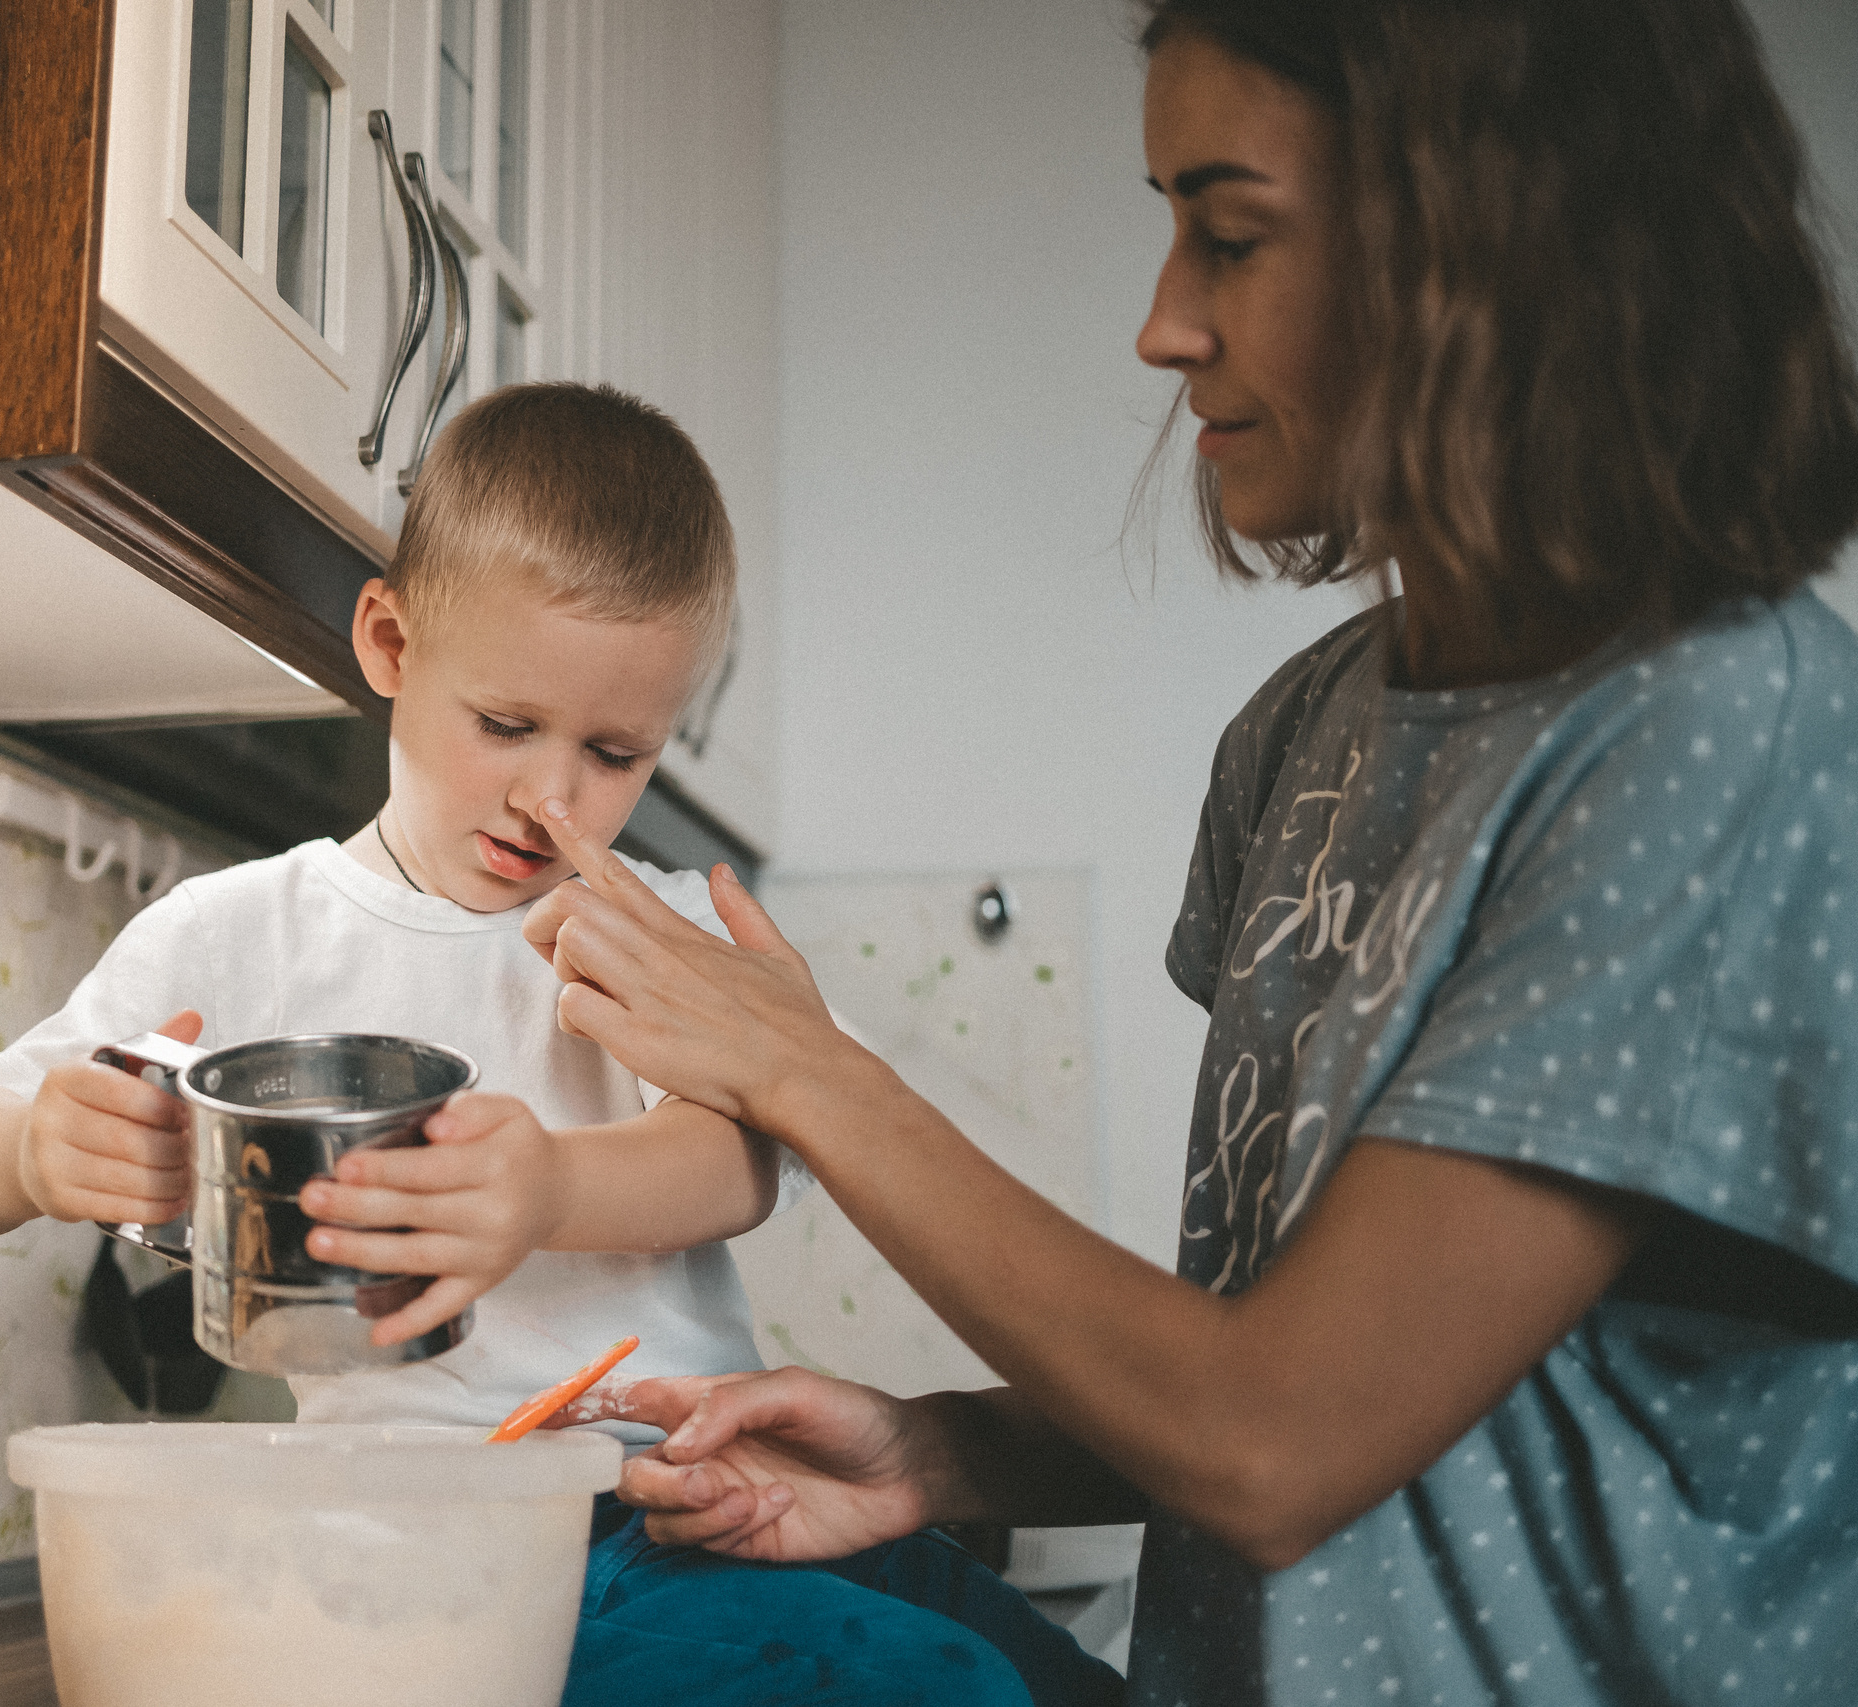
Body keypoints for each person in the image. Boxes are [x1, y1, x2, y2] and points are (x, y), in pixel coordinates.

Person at [514, 1, 1858, 1702]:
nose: (1162, 325)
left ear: (1492, 251)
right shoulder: (1305, 735)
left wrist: (806, 1075)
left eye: (1230, 236)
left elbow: (1276, 1438)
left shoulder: (1722, 740)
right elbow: (1314, 1378)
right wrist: (943, 1455)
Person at [0, 382, 1120, 1706]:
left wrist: (545, 1188)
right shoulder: (244, 931)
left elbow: (743, 1161)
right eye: (506, 727)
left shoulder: (647, 922)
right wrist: (38, 1146)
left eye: (615, 752)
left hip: (711, 1500)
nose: (552, 798)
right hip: (460, 1556)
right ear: (389, 638)